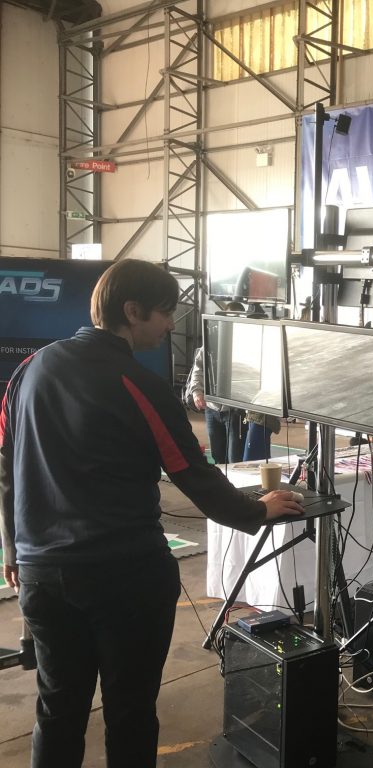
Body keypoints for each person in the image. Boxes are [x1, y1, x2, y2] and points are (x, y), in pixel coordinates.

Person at [0, 259, 303, 768]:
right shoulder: (140, 384)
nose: (169, 326)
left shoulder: (28, 371)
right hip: (124, 577)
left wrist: (15, 548)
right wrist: (259, 509)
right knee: (130, 710)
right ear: (132, 311)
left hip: (42, 575)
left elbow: (7, 467)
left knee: (58, 708)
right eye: (165, 314)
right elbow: (193, 475)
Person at [185, 347, 278, 463]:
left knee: (235, 458)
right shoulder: (210, 342)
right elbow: (198, 368)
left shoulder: (244, 346)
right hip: (211, 409)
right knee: (217, 456)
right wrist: (196, 391)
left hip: (236, 411)